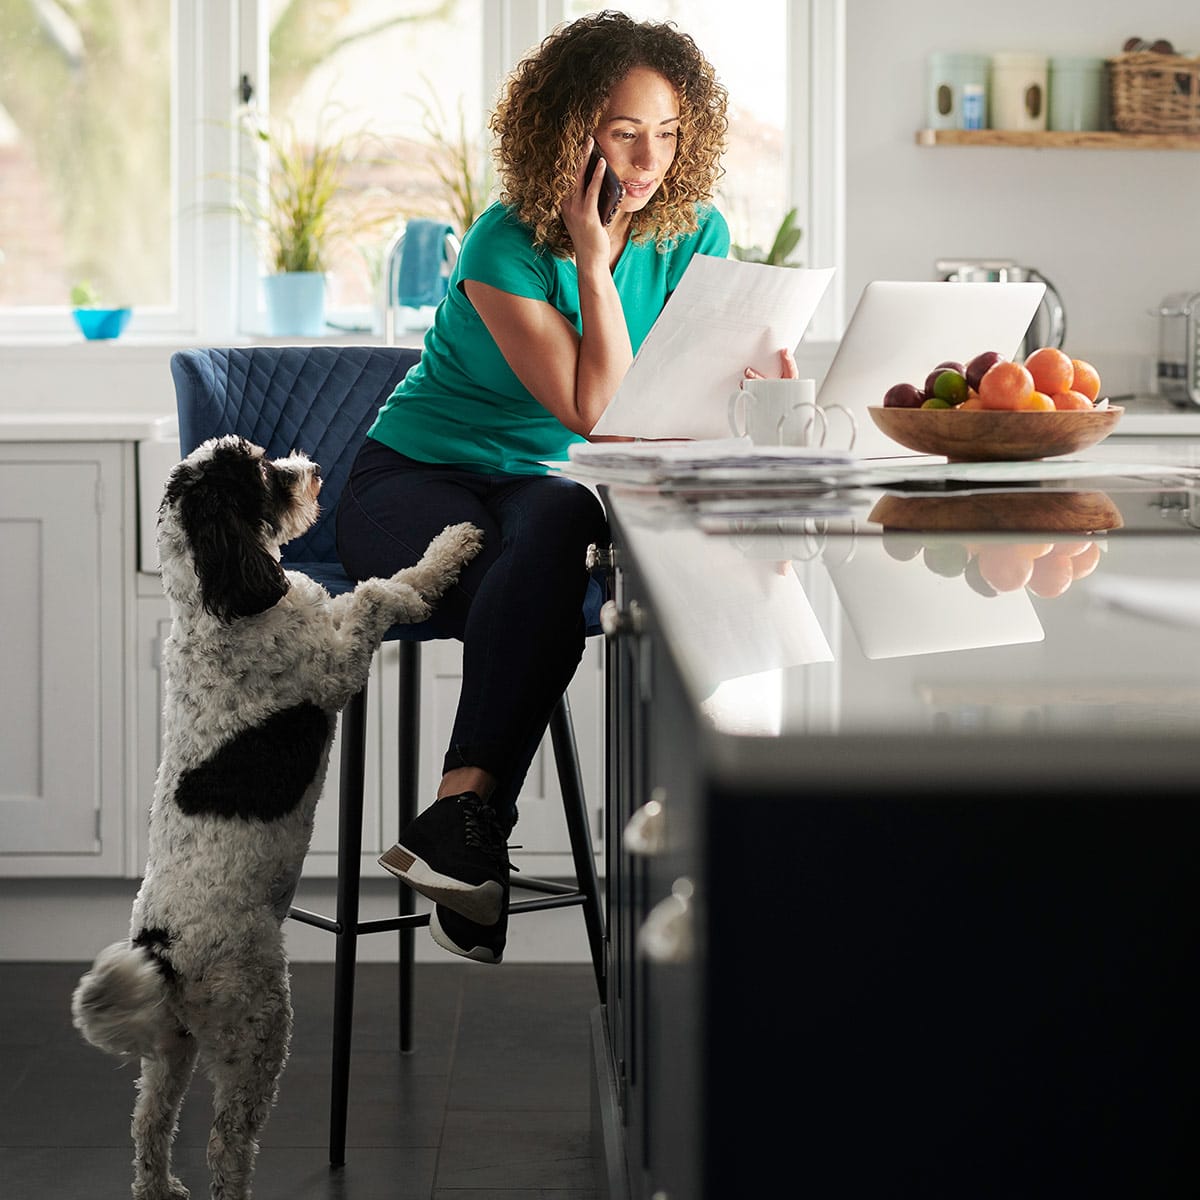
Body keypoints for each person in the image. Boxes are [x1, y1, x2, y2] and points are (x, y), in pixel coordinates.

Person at [336, 8, 797, 965]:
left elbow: (668, 397)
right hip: (414, 478)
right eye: (625, 130)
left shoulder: (692, 231)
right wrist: (592, 258)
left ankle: (460, 823)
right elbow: (599, 406)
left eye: (667, 132)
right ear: (570, 128)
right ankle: (468, 829)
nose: (647, 157)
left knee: (557, 524)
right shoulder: (505, 244)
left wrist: (752, 383)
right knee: (545, 583)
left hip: (533, 493)